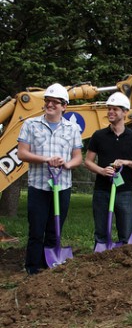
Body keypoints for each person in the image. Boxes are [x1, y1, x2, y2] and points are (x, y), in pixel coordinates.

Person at [17, 83, 83, 275]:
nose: (51, 104)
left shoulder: (72, 128)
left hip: (62, 186)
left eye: (56, 102)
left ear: (64, 106)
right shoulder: (31, 124)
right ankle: (33, 268)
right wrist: (47, 159)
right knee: (36, 230)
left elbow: (77, 156)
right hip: (38, 185)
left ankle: (49, 267)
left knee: (55, 229)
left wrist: (67, 164)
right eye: (48, 101)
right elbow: (22, 153)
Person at [84, 92, 132, 247]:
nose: (110, 112)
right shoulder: (98, 136)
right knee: (101, 231)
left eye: (115, 109)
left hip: (124, 191)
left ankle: (123, 262)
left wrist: (126, 162)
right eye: (109, 109)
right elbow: (88, 161)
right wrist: (102, 171)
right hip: (102, 191)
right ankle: (100, 257)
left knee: (126, 231)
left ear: (125, 112)